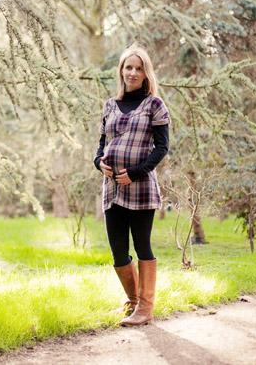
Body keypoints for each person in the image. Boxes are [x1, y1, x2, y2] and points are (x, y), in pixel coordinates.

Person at [94, 44, 170, 326]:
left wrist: (136, 172)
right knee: (117, 251)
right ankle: (133, 301)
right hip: (112, 188)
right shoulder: (110, 105)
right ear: (121, 71)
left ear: (145, 72)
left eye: (139, 68)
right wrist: (97, 162)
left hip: (140, 186)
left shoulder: (154, 104)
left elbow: (162, 148)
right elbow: (102, 144)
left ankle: (146, 308)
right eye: (129, 67)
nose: (133, 73)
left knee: (142, 245)